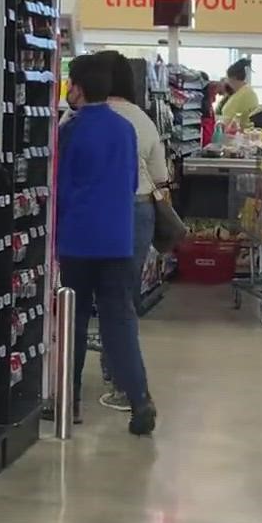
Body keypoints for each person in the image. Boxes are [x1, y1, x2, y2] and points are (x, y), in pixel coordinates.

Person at [56, 52, 157, 436]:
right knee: (120, 321)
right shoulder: (125, 128)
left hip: (78, 240)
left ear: (77, 88)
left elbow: (61, 185)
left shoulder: (70, 130)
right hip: (118, 238)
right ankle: (140, 399)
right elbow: (132, 183)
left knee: (75, 320)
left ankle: (71, 401)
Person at [102, 56, 169, 411]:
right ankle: (124, 381)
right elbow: (161, 175)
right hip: (140, 209)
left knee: (88, 300)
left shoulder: (80, 118)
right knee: (124, 298)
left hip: (97, 212)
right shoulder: (143, 119)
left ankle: (92, 378)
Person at [216, 59, 260, 124]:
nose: (226, 81)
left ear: (233, 78)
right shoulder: (241, 92)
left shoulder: (245, 94)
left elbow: (229, 117)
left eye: (227, 78)